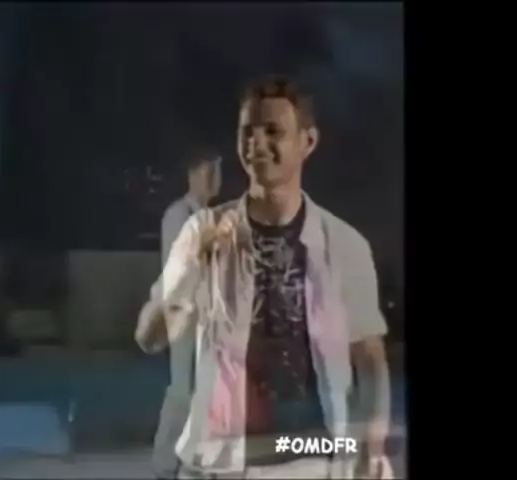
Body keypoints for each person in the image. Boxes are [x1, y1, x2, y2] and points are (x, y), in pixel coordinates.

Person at [135, 76, 390, 479]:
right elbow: (150, 338)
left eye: (273, 131)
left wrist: (368, 445)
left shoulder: (344, 245)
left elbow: (370, 360)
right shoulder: (203, 231)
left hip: (315, 456)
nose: (256, 143)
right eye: (248, 131)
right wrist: (191, 271)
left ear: (308, 141)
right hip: (220, 461)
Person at [151, 147, 222, 479]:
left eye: (217, 173)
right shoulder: (178, 215)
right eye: (210, 172)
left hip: (208, 317)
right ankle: (164, 463)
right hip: (185, 315)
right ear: (194, 175)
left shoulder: (210, 216)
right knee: (182, 391)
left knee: (205, 393)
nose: (215, 180)